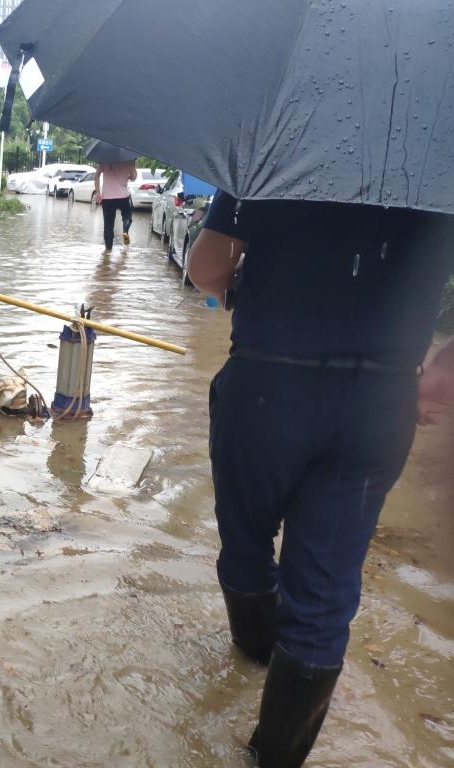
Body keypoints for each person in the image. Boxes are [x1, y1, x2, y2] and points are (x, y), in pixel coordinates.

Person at [187, 192, 454, 767]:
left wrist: (241, 288)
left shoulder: (280, 139)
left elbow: (206, 269)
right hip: (378, 403)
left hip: (266, 390)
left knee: (246, 545)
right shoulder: (441, 152)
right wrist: (443, 370)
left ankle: (254, 661)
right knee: (325, 598)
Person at [93, 159, 137, 253]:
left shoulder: (104, 160)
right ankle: (125, 229)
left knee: (108, 226)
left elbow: (96, 176)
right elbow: (134, 177)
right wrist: (130, 173)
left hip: (107, 198)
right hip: (123, 197)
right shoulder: (128, 161)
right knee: (127, 215)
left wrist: (97, 192)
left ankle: (108, 251)